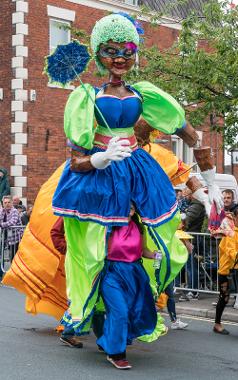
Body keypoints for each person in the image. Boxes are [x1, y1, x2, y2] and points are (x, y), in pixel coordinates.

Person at [51, 13, 223, 364]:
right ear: (99, 53)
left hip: (135, 171)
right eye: (111, 50)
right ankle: (88, 317)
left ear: (136, 52)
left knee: (154, 230)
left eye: (127, 49)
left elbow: (189, 134)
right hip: (100, 176)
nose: (119, 58)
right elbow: (76, 160)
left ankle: (120, 319)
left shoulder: (144, 95)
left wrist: (212, 183)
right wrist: (100, 159)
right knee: (93, 252)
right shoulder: (87, 96)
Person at [213, 205, 238, 334]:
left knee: (225, 298)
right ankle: (217, 324)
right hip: (227, 272)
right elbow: (232, 253)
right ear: (235, 217)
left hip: (235, 271)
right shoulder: (230, 233)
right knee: (224, 298)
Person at [0, 196, 23, 265]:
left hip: (17, 238)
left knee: (15, 257)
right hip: (8, 238)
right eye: (5, 203)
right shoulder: (3, 211)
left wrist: (2, 225)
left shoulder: (14, 211)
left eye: (9, 202)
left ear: (12, 203)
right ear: (3, 204)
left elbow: (13, 222)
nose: (7, 204)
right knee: (10, 256)